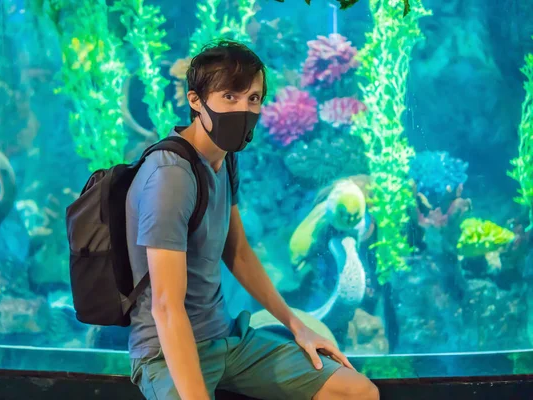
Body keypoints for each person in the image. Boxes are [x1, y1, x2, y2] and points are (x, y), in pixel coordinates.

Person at [125, 40, 380, 400]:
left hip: (227, 341)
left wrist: (297, 325)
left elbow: (239, 253)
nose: (244, 109)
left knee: (357, 393)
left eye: (254, 98)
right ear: (195, 100)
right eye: (230, 96)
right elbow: (166, 307)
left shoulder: (224, 159)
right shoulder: (170, 176)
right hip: (166, 353)